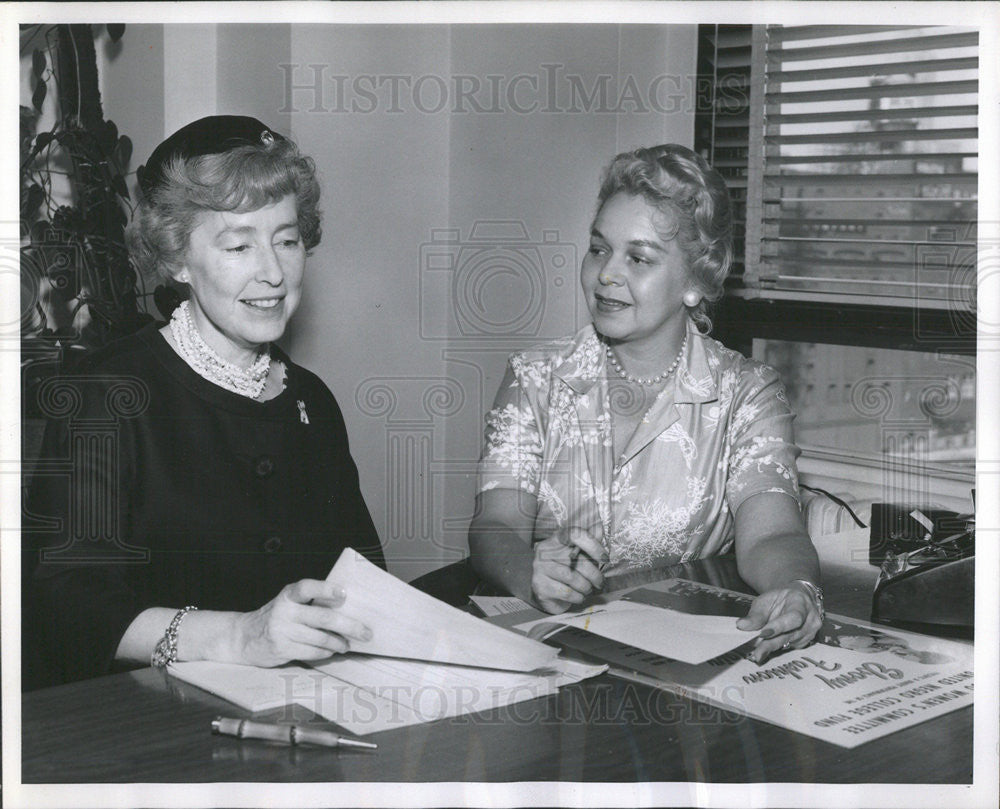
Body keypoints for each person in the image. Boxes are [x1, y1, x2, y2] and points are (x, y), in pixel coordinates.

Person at [23, 116, 385, 689]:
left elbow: (362, 580)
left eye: (287, 240)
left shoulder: (312, 400)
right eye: (239, 245)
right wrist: (241, 637)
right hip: (139, 730)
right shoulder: (105, 394)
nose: (272, 272)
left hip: (303, 713)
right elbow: (69, 610)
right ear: (176, 260)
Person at [468, 144, 823, 664]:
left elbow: (772, 533)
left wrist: (795, 588)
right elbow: (494, 525)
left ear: (696, 282)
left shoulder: (747, 393)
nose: (607, 274)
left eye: (638, 258)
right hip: (547, 662)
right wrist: (529, 573)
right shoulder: (535, 377)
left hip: (681, 669)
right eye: (598, 249)